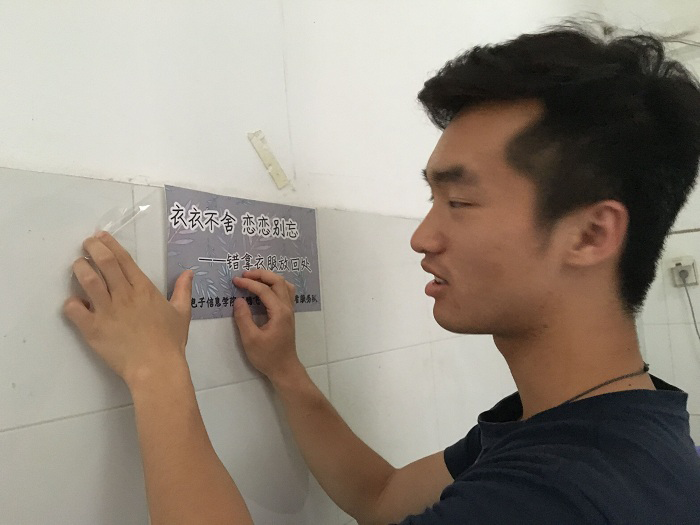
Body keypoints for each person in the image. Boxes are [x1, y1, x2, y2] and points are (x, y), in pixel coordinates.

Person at [63, 20, 700, 525]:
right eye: (431, 199)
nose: (423, 237)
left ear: (590, 235)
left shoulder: (559, 495)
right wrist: (285, 370)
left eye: (459, 202)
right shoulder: (591, 426)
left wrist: (155, 371)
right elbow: (382, 496)